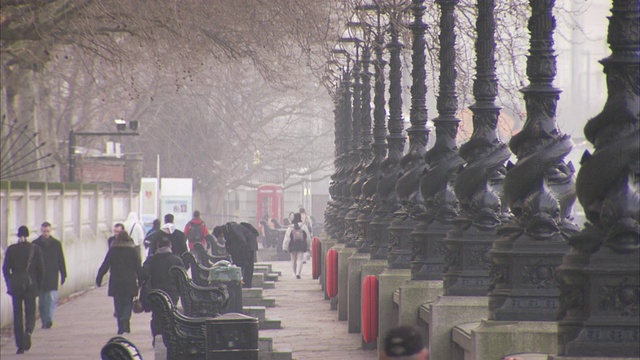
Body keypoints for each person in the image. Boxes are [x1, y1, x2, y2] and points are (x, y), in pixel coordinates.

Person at [2, 226, 45, 354]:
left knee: (17, 314)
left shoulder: (11, 249)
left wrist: (10, 281)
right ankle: (28, 331)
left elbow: (5, 269)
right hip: (31, 285)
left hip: (16, 286)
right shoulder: (35, 249)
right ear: (28, 235)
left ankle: (19, 344)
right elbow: (41, 270)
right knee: (30, 312)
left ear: (18, 236)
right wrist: (38, 284)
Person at [96, 230, 143, 335]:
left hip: (116, 281)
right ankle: (125, 319)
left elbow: (105, 265)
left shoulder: (113, 250)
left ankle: (120, 325)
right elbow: (138, 267)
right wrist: (141, 280)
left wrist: (99, 278)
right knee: (128, 303)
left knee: (118, 304)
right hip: (129, 281)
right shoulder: (132, 251)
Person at [141, 233, 184, 345]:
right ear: (170, 245)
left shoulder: (151, 260)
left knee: (156, 315)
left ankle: (157, 335)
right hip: (172, 293)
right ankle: (169, 336)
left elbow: (144, 274)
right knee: (171, 314)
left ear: (158, 246)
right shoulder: (176, 260)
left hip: (155, 293)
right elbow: (182, 278)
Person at [32, 222, 67, 329]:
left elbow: (61, 259)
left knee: (52, 298)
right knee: (42, 301)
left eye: (47, 231)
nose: (46, 233)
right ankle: (45, 320)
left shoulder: (56, 244)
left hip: (52, 274)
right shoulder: (35, 244)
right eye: (44, 231)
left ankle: (49, 320)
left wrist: (63, 273)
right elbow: (32, 262)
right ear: (41, 231)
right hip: (40, 276)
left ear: (50, 231)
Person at [223, 221, 259, 288]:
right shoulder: (232, 228)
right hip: (251, 242)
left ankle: (246, 284)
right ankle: (247, 284)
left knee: (248, 264)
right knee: (249, 265)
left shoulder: (233, 228)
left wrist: (240, 252)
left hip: (249, 244)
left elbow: (242, 240)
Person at [282, 213, 311, 279]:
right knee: (300, 259)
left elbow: (287, 238)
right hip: (301, 245)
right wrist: (308, 246)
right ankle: (298, 273)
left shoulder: (290, 227)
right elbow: (308, 238)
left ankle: (294, 272)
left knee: (293, 259)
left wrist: (285, 247)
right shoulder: (304, 226)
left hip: (292, 245)